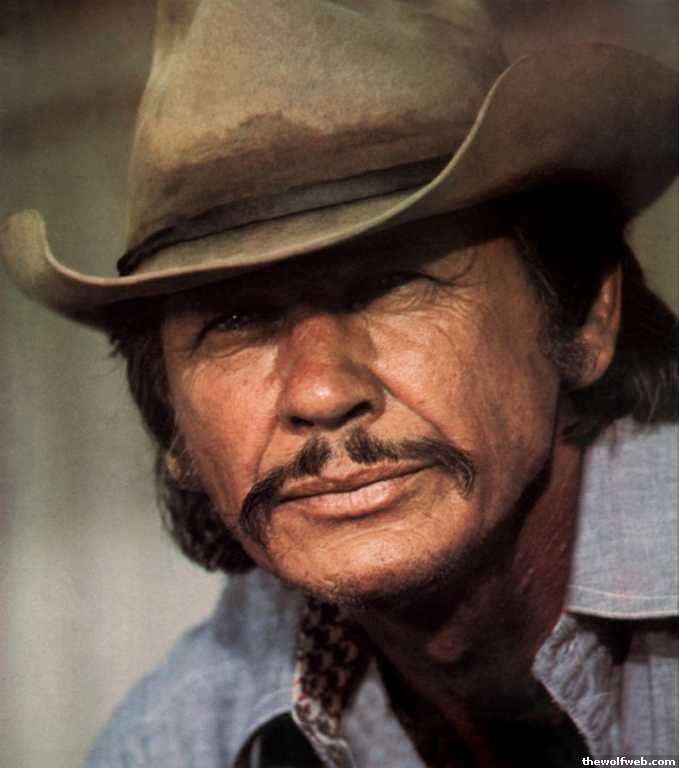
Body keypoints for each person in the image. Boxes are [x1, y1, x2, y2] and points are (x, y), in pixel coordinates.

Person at [2, 1, 677, 765]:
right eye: (236, 321)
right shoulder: (180, 739)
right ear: (175, 430)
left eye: (393, 285)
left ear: (584, 318)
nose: (319, 393)